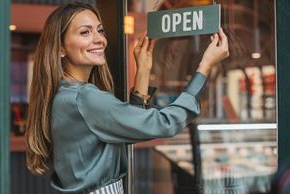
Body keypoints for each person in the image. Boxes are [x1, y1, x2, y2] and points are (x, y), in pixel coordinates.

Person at [25, 3, 229, 194]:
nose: (99, 39)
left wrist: (142, 71)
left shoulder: (64, 93)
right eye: (85, 32)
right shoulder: (84, 98)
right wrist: (205, 67)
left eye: (100, 30)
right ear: (60, 48)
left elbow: (131, 125)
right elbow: (164, 124)